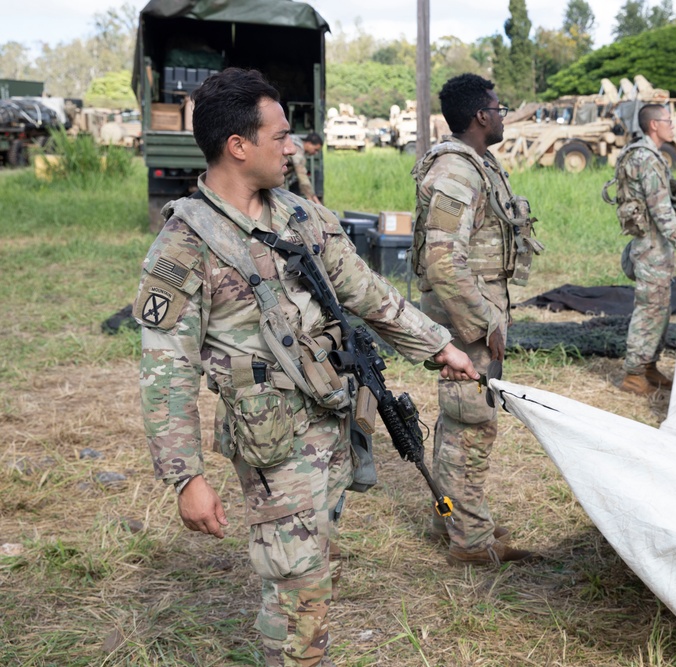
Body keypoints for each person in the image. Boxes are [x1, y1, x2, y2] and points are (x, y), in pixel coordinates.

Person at [133, 68, 479, 667]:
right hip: (271, 439)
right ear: (238, 147)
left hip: (333, 418)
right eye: (281, 136)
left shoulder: (300, 216)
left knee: (315, 566)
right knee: (297, 584)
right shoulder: (185, 245)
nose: (293, 147)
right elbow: (167, 374)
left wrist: (438, 345)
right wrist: (185, 477)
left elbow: (366, 292)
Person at [411, 73, 542, 566]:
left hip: (476, 316)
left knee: (461, 419)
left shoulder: (478, 164)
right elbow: (443, 261)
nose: (504, 114)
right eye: (499, 106)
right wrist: (482, 325)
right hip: (467, 323)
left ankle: (453, 517)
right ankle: (469, 541)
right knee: (472, 423)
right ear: (480, 116)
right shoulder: (457, 172)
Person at [614, 104, 676, 397]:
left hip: (656, 245)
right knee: (649, 309)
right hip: (652, 246)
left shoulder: (645, 154)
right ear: (654, 125)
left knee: (661, 307)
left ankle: (649, 364)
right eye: (668, 121)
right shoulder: (647, 159)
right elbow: (661, 209)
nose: (673, 125)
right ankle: (634, 374)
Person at [286, 131, 323, 204]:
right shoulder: (297, 148)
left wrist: (313, 197)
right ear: (309, 144)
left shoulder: (294, 142)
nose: (315, 153)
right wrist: (312, 199)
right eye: (315, 149)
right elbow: (302, 175)